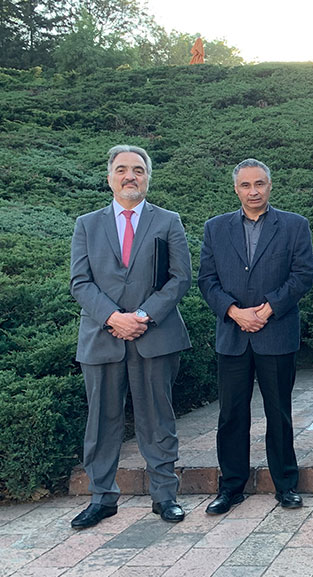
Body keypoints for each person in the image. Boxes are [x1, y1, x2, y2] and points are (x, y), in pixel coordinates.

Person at [69, 145, 192, 528]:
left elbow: (180, 278)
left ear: (147, 177)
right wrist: (112, 317)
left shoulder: (168, 220)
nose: (130, 176)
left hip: (154, 335)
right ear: (109, 177)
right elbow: (79, 282)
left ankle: (165, 496)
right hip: (102, 338)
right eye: (122, 169)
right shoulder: (86, 224)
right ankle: (102, 498)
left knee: (157, 419)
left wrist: (142, 316)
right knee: (101, 421)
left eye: (138, 170)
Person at [198, 159, 313, 514]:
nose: (253, 191)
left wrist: (266, 310)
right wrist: (234, 312)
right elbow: (206, 280)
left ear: (269, 185)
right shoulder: (215, 228)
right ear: (236, 189)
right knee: (231, 414)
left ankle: (286, 485)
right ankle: (231, 487)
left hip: (276, 333)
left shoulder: (294, 226)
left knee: (279, 412)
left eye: (259, 184)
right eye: (246, 185)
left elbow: (303, 275)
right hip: (233, 336)